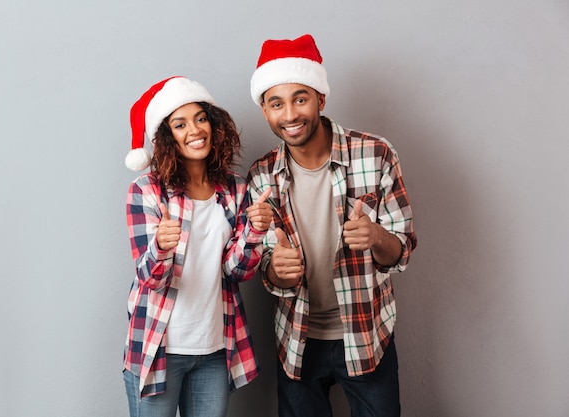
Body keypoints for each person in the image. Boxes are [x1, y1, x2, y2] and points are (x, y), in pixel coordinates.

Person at [246, 34, 418, 417]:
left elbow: (402, 249)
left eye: (300, 99)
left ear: (321, 99)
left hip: (367, 333)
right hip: (297, 340)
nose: (289, 114)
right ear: (265, 111)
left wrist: (376, 237)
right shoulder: (261, 176)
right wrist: (278, 270)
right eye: (277, 103)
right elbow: (268, 271)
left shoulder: (376, 154)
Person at [122, 76, 273, 417]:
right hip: (159, 345)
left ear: (214, 124)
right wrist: (161, 245)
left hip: (215, 348)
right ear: (167, 137)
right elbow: (150, 278)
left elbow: (236, 271)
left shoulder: (234, 188)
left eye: (200, 118)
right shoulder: (146, 191)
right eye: (180, 124)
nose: (194, 130)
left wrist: (254, 231)